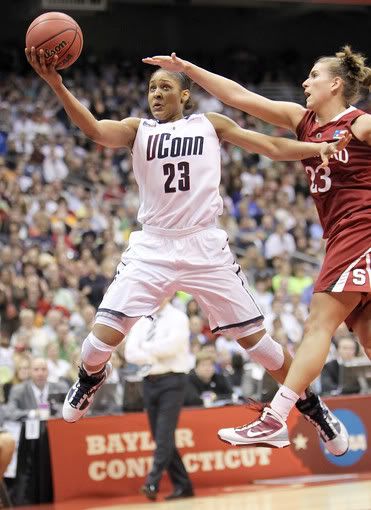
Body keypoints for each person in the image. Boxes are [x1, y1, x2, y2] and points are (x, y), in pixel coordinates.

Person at [25, 46, 349, 459]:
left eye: (165, 87)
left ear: (185, 96)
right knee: (96, 344)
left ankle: (313, 408)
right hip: (154, 245)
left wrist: (316, 149)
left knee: (260, 344)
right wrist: (57, 83)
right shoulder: (137, 129)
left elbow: (269, 146)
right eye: (151, 89)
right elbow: (94, 130)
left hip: (204, 246)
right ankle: (90, 379)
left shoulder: (209, 124)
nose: (156, 94)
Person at [143, 46, 371, 448]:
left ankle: (276, 417)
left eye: (313, 75)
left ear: (335, 84)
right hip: (340, 234)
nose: (305, 82)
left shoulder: (360, 124)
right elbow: (240, 98)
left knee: (319, 321)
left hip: (362, 230)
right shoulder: (304, 122)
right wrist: (188, 69)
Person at [125, 298, 194, 501]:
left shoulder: (178, 317)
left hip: (172, 380)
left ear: (169, 294)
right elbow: (129, 352)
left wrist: (144, 349)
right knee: (161, 438)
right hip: (148, 381)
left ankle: (151, 482)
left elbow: (171, 348)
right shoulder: (143, 319)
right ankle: (184, 485)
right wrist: (153, 353)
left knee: (164, 435)